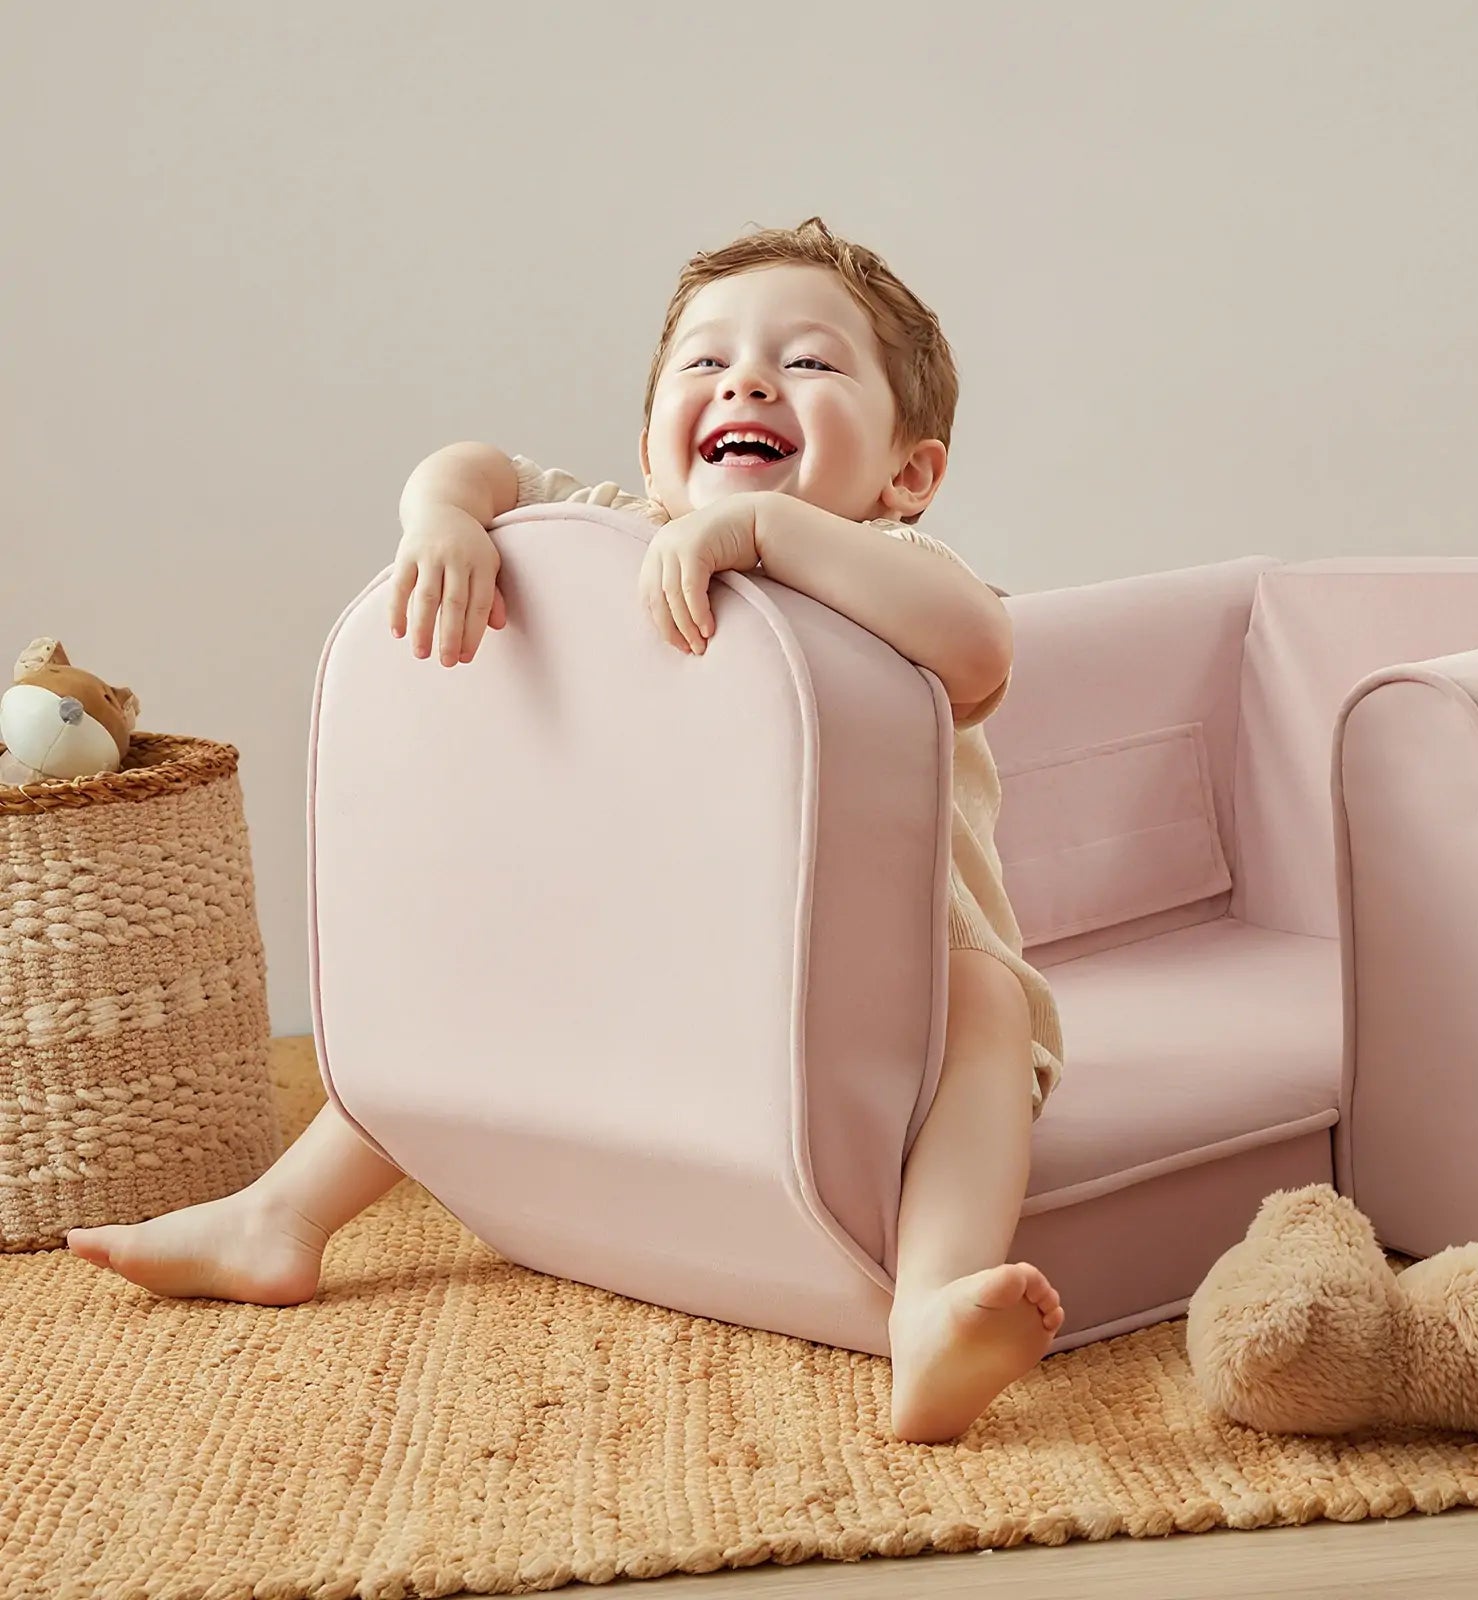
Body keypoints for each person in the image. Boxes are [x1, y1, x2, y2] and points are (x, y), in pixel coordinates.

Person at [66, 217, 1067, 1446]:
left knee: (991, 1007)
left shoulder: (891, 564)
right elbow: (478, 461)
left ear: (907, 473)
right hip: (661, 966)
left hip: (891, 983)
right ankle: (282, 1216)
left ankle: (925, 1309)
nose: (746, 380)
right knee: (463, 998)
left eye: (805, 364)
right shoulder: (616, 533)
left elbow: (979, 647)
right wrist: (439, 518)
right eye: (704, 365)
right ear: (652, 447)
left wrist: (765, 535)